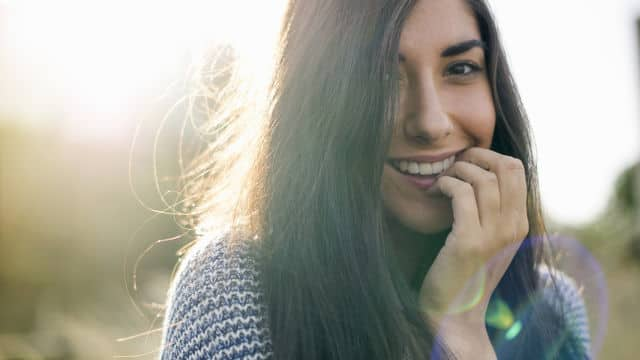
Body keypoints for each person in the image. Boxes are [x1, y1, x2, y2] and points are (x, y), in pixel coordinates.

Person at [159, 0, 592, 358]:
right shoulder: (231, 292)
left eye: (460, 68)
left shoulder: (554, 306)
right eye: (382, 76)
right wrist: (454, 326)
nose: (431, 122)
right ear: (315, 100)